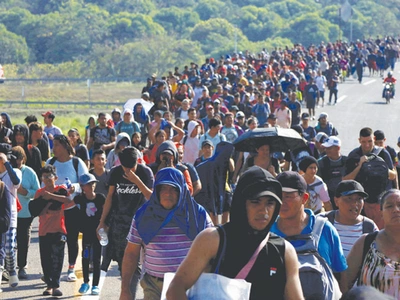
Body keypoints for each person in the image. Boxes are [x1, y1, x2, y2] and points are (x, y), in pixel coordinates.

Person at [167, 167, 304, 300]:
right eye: (255, 202)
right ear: (241, 203)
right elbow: (176, 288)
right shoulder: (213, 240)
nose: (264, 211)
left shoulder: (284, 252)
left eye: (270, 203)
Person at [120, 168, 213, 300]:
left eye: (173, 189)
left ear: (182, 189)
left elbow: (212, 252)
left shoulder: (198, 215)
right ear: (156, 191)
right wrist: (125, 290)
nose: (168, 194)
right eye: (163, 188)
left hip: (187, 286)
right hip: (154, 286)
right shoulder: (144, 216)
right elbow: (131, 253)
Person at [97, 147, 154, 295]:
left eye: (132, 167)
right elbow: (109, 197)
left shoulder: (145, 172)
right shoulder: (116, 172)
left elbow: (152, 198)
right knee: (124, 267)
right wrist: (102, 222)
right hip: (119, 226)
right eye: (125, 167)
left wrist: (137, 180)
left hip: (139, 225)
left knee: (135, 266)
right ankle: (128, 294)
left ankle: (130, 294)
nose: (128, 170)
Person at [270, 171, 347, 276]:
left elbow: (341, 275)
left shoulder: (324, 229)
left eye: (288, 196)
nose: (282, 202)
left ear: (304, 198)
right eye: (278, 196)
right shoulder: (267, 231)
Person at [341, 189, 400, 299]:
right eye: (390, 206)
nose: (396, 210)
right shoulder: (366, 243)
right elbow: (344, 285)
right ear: (381, 212)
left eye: (399, 205)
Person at [46, 134, 89, 282]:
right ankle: (52, 271)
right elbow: (43, 183)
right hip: (54, 210)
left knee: (71, 239)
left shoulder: (77, 163)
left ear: (64, 146)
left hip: (72, 209)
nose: (54, 148)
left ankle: (71, 268)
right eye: (53, 144)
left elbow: (86, 183)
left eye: (56, 145)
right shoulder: (50, 162)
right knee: (53, 241)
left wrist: (74, 187)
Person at [344, 127, 396, 228]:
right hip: (361, 201)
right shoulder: (354, 155)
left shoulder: (382, 153)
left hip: (380, 200)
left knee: (382, 232)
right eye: (363, 142)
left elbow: (393, 176)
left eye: (370, 141)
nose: (367, 145)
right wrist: (359, 166)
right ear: (359, 140)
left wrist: (381, 166)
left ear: (374, 139)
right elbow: (345, 180)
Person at [34, 165, 72, 297]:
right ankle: (49, 285)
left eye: (49, 176)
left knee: (58, 257)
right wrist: (48, 204)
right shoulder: (39, 193)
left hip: (59, 229)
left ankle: (55, 285)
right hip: (44, 230)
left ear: (55, 177)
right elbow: (37, 210)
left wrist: (50, 196)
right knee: (46, 259)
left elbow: (67, 200)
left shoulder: (60, 189)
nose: (47, 179)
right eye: (44, 177)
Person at [319, 180, 378, 257]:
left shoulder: (370, 227)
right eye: (349, 198)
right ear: (336, 201)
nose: (354, 204)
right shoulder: (321, 221)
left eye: (359, 199)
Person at [11, 146, 40, 280]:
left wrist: (26, 192)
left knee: (23, 241)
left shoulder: (29, 172)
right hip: (9, 213)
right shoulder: (6, 172)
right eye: (14, 159)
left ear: (23, 159)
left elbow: (38, 192)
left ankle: (22, 266)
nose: (17, 162)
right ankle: (7, 269)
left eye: (19, 159)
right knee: (9, 242)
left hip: (26, 213)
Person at [74, 173, 105, 295]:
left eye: (93, 183)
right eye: (88, 184)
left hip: (97, 233)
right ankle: (85, 282)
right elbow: (68, 203)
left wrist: (104, 228)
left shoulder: (100, 198)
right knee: (85, 257)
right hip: (86, 233)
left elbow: (107, 213)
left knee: (96, 259)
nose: (92, 186)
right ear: (82, 186)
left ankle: (95, 285)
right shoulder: (79, 199)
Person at [0, 145, 21, 288]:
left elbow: (16, 182)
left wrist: (6, 163)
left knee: (9, 248)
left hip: (10, 215)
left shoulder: (16, 171)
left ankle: (12, 270)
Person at [317, 136, 348, 209]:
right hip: (328, 198)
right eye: (326, 148)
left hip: (345, 197)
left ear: (338, 148)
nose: (327, 150)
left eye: (329, 148)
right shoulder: (321, 163)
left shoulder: (347, 161)